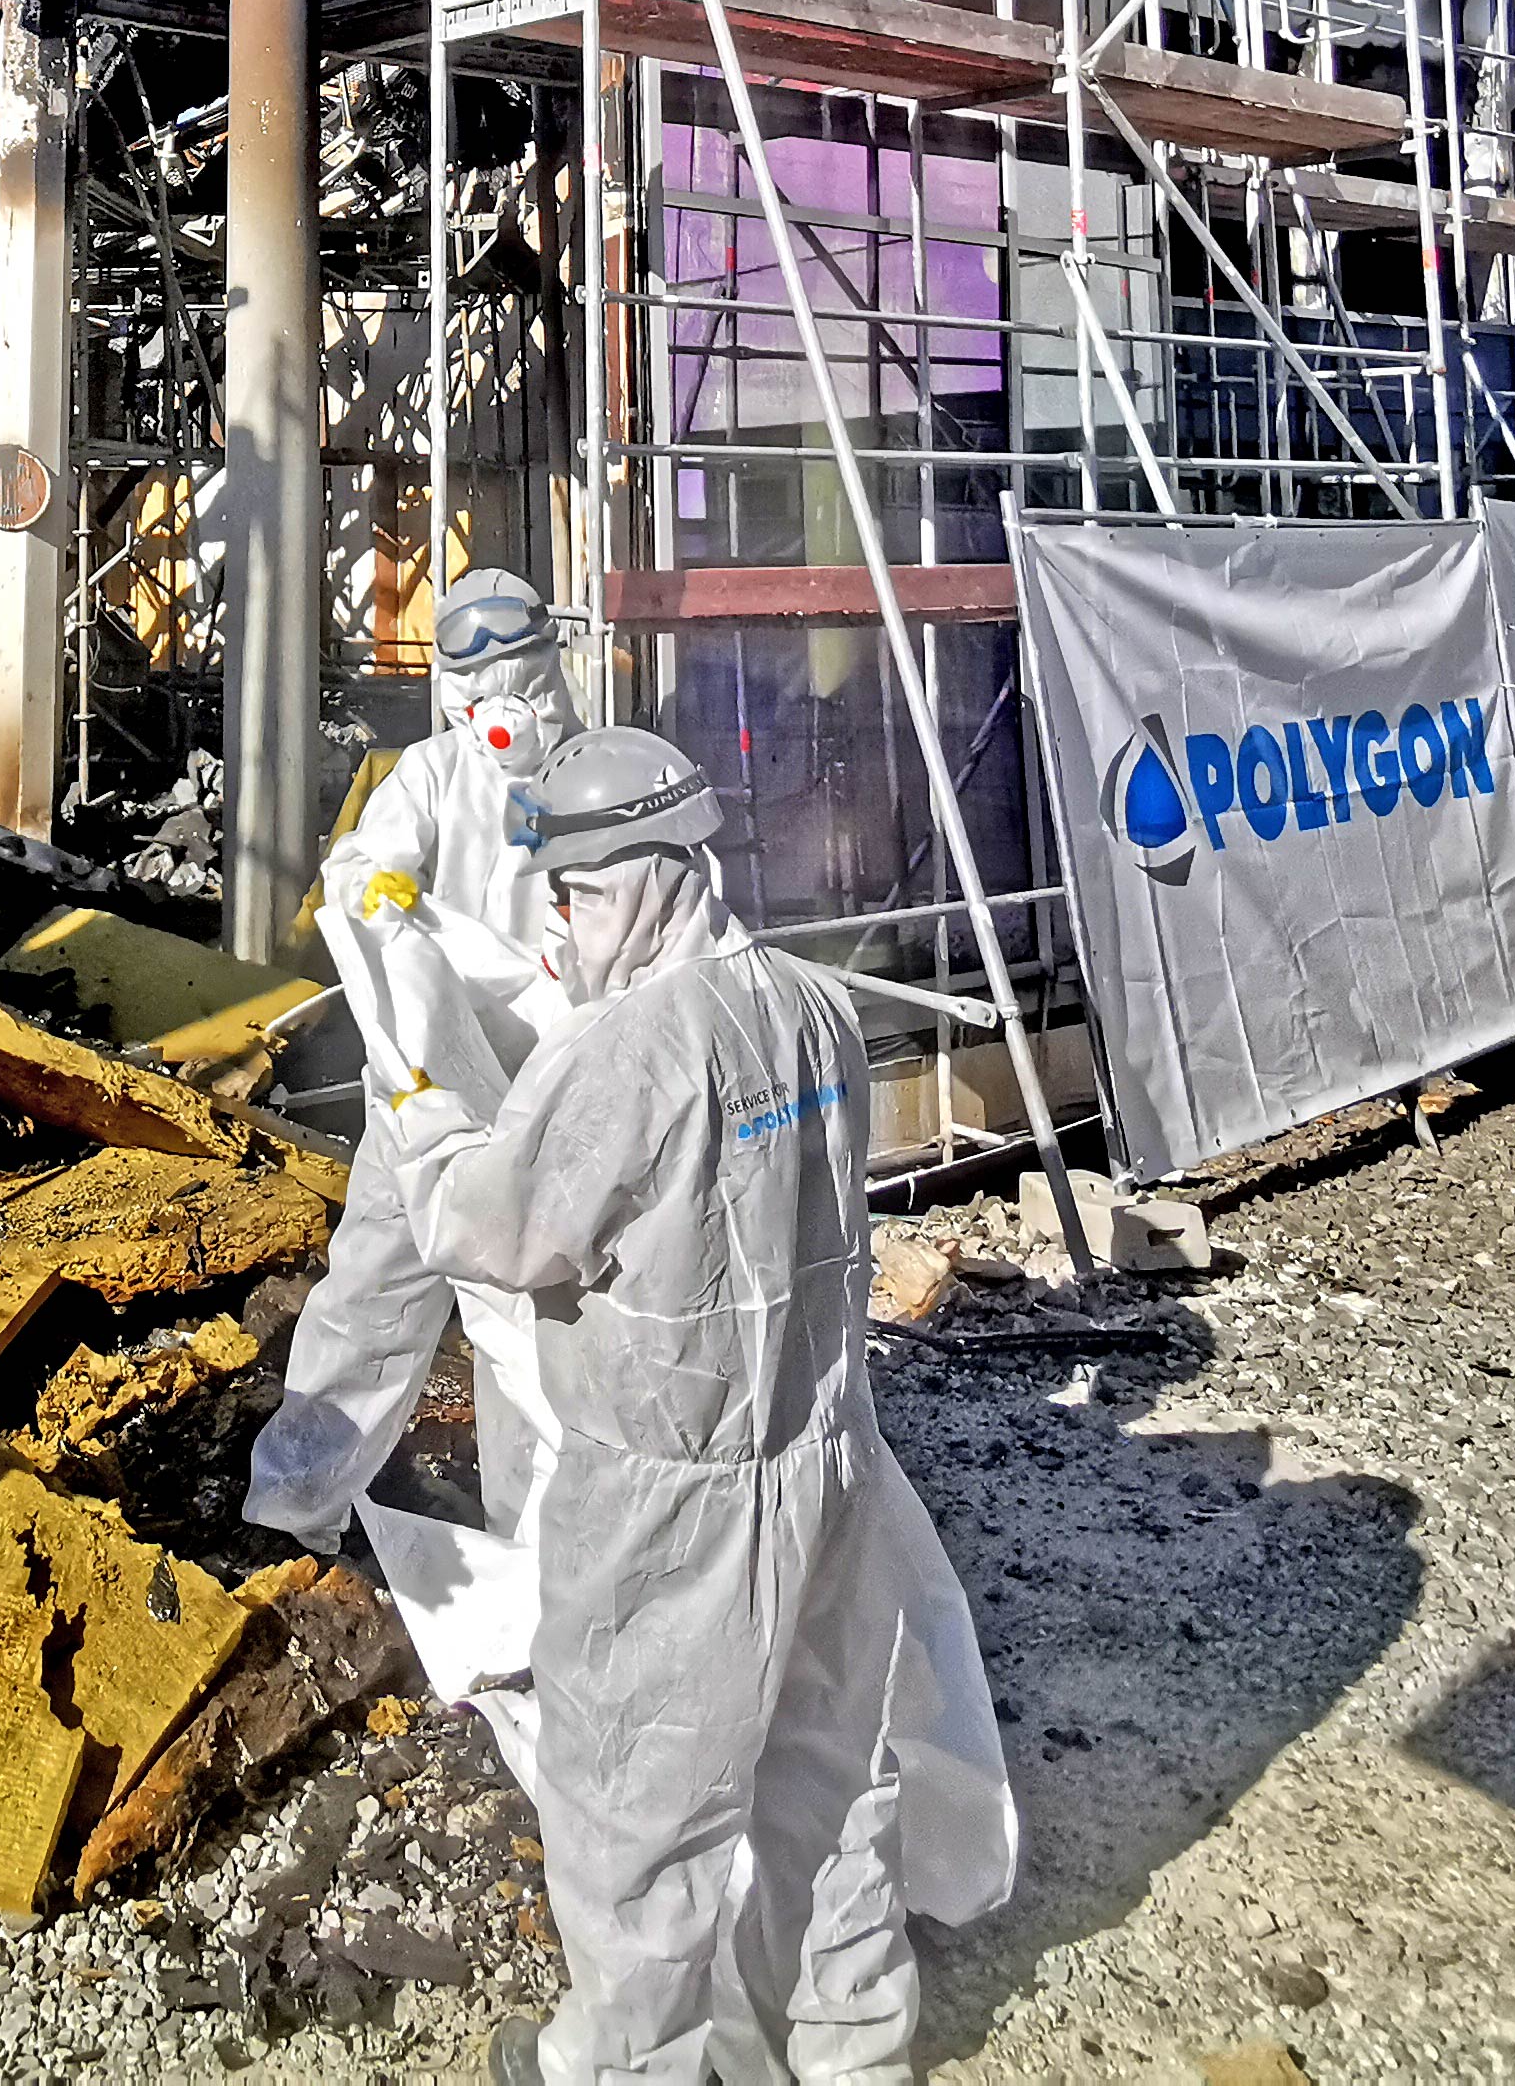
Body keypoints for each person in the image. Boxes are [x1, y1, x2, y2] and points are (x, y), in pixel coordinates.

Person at [405, 724, 1003, 2085]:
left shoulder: (623, 1055)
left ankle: (623, 2070)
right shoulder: (814, 1006)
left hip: (671, 1493)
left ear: (645, 876)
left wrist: (430, 1110)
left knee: (636, 1804)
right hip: (825, 1453)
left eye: (575, 891)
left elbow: (499, 1232)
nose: (563, 922)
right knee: (835, 1772)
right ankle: (850, 2049)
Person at [245, 565, 578, 1547]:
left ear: (544, 670)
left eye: (505, 684)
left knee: (523, 1338)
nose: (491, 712)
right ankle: (290, 1503)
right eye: (470, 691)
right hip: (423, 1102)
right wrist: (376, 893)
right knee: (369, 1305)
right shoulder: (433, 775)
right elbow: (356, 871)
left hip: (543, 1115)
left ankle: (536, 1550)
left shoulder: (589, 774)